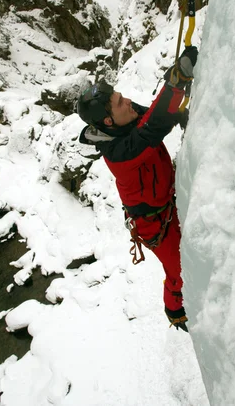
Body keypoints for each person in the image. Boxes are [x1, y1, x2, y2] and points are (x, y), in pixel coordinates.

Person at [76, 46, 198, 332]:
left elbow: (156, 112)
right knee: (178, 272)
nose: (128, 101)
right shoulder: (117, 153)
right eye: (120, 102)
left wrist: (176, 85)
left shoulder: (125, 119)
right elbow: (151, 130)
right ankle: (175, 310)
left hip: (167, 202)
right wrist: (176, 82)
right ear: (108, 121)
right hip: (155, 224)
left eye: (121, 96)